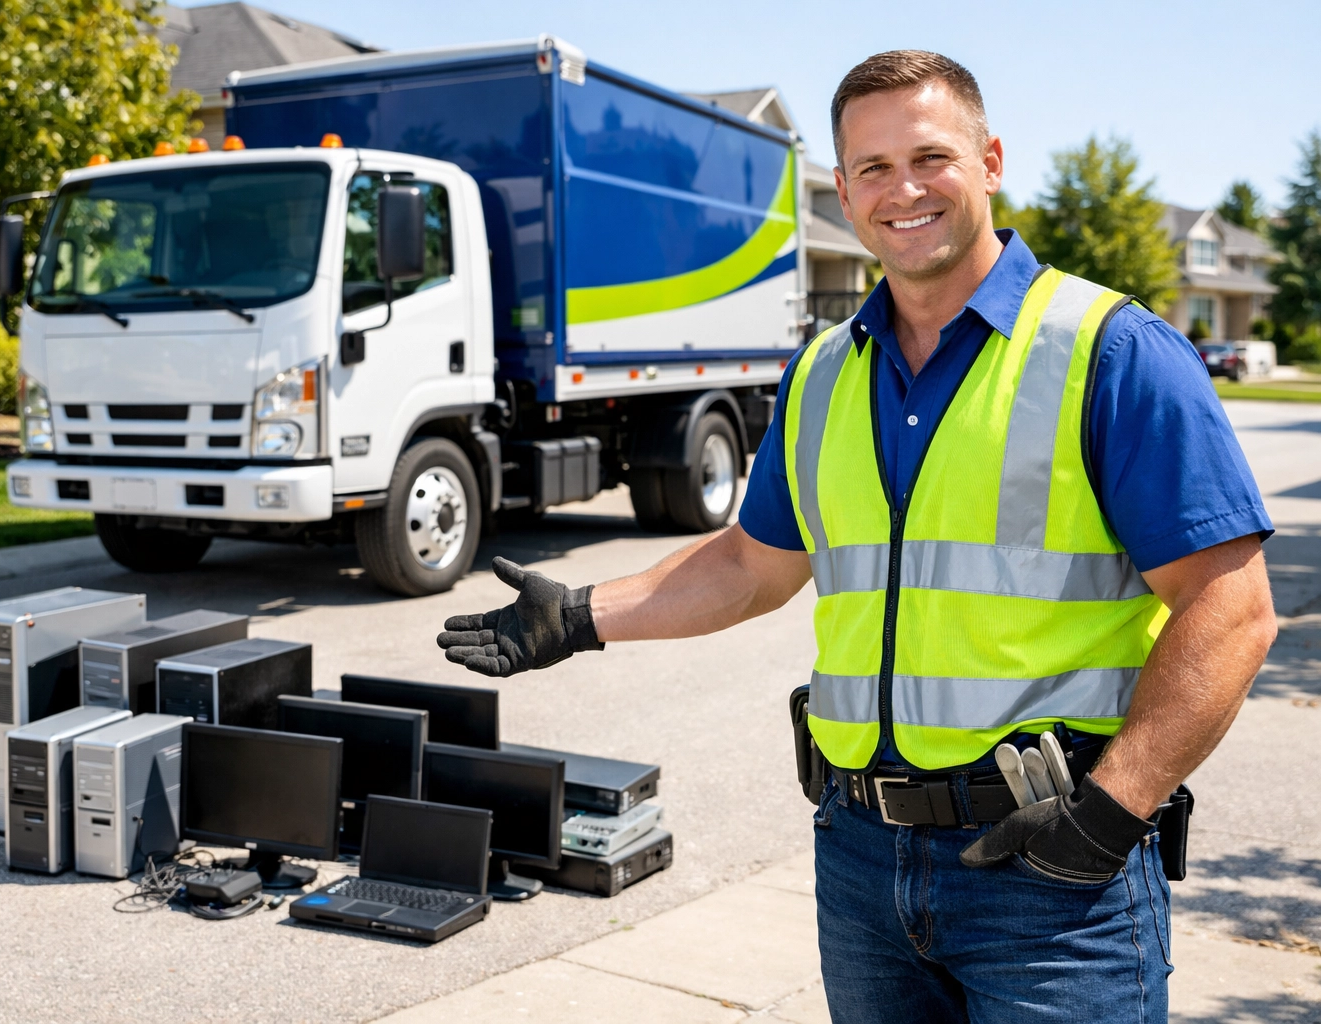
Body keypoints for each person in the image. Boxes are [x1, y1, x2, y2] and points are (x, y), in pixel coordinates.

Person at [437, 50, 1277, 1023]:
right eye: (871, 169)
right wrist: (581, 614)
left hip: (1055, 870)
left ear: (992, 160)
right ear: (842, 188)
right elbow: (753, 565)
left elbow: (1231, 606)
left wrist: (1112, 810)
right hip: (860, 857)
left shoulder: (1111, 352)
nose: (902, 189)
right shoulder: (822, 375)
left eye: (931, 156)